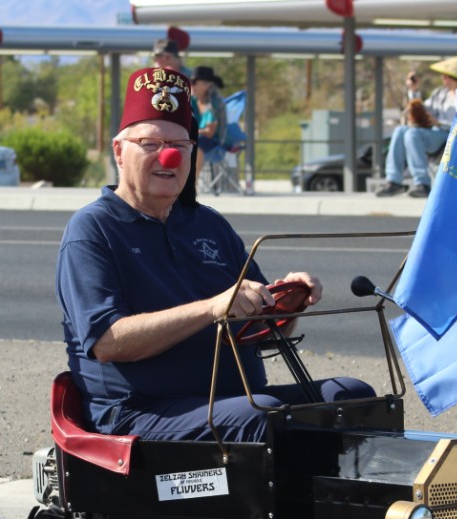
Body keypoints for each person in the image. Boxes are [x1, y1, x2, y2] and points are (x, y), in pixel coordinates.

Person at [56, 67, 373, 443]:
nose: (169, 156)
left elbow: (257, 329)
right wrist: (211, 308)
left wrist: (286, 301)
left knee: (353, 397)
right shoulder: (92, 229)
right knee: (260, 414)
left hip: (229, 401)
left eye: (181, 145)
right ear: (119, 152)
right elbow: (107, 341)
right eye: (151, 144)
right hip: (139, 411)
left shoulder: (207, 224)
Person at [375, 55, 457, 199]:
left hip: (452, 136)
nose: (444, 80)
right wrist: (414, 90)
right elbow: (422, 109)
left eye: (447, 77)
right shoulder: (439, 93)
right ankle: (394, 180)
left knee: (412, 134)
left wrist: (439, 123)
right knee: (400, 130)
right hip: (433, 133)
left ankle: (422, 183)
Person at [190, 65, 227, 181]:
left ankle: (192, 186)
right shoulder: (192, 100)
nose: (192, 85)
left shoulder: (214, 103)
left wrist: (191, 131)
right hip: (195, 138)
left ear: (207, 85)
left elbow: (210, 133)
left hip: (215, 143)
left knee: (197, 143)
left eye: (195, 82)